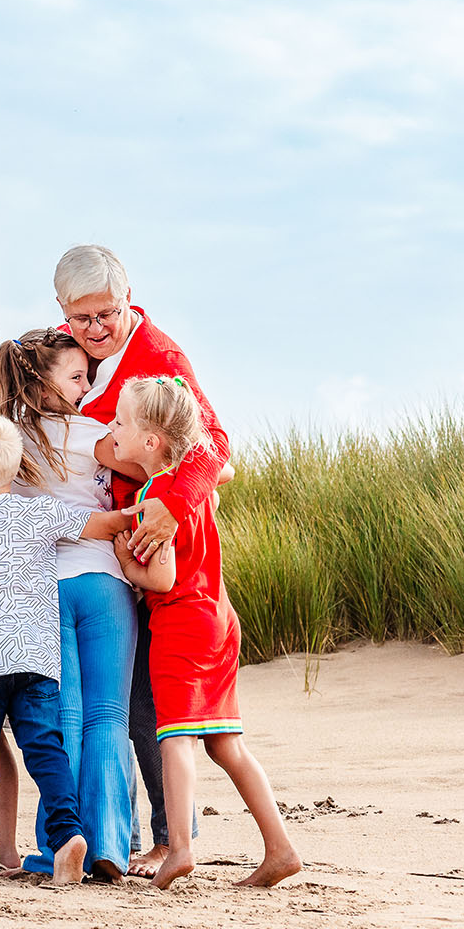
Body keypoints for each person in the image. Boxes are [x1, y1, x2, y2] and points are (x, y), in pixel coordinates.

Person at [54, 243, 230, 879]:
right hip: (100, 546)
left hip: (151, 540)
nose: (96, 329)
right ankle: (118, 832)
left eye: (107, 314)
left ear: (128, 300)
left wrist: (172, 507)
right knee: (118, 698)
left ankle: (170, 836)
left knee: (149, 700)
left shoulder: (160, 358)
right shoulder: (65, 349)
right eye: (81, 318)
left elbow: (215, 447)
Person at [102, 376, 302, 890]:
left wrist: (125, 562)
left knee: (173, 739)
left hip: (181, 624)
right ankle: (280, 848)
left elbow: (162, 579)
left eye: (120, 422)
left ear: (151, 441)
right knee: (227, 745)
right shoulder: (196, 490)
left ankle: (181, 849)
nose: (111, 430)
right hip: (218, 619)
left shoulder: (155, 498)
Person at [0, 415, 134, 882]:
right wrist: (145, 509)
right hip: (36, 658)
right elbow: (104, 525)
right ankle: (67, 834)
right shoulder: (41, 512)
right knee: (46, 749)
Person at [0, 328, 136, 883]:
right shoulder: (87, 432)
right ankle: (110, 846)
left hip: (41, 588)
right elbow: (146, 461)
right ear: (38, 383)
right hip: (102, 579)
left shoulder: (4, 441)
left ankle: (60, 846)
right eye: (75, 377)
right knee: (109, 716)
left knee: (63, 718)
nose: (85, 386)